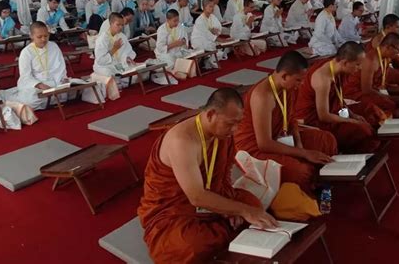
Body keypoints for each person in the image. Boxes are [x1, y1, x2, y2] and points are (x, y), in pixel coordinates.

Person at [138, 88, 277, 264]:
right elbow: (196, 197)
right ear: (211, 114)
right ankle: (229, 231)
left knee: (254, 204)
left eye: (238, 123)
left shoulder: (223, 133)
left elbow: (224, 173)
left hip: (213, 195)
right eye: (230, 123)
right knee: (191, 245)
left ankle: (226, 230)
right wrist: (241, 210)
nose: (234, 130)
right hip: (177, 211)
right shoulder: (182, 140)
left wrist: (234, 205)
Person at [234, 52, 337, 191]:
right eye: (298, 80)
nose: (301, 85)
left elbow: (291, 118)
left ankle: (323, 178)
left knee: (326, 140)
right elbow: (264, 144)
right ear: (284, 76)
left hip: (280, 137)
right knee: (302, 172)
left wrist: (299, 146)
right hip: (254, 149)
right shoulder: (263, 96)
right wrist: (304, 153)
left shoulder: (287, 87)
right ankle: (311, 190)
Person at [295, 42, 381, 153]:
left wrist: (353, 115)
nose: (360, 68)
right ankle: (350, 156)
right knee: (362, 130)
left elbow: (338, 98)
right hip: (313, 120)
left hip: (334, 111)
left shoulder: (337, 67)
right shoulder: (322, 78)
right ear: (345, 63)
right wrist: (352, 121)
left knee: (369, 111)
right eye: (357, 64)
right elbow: (324, 116)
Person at [343, 33, 399, 118]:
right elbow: (366, 90)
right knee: (392, 104)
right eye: (398, 49)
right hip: (356, 93)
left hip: (375, 89)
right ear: (388, 47)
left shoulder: (385, 58)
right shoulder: (370, 61)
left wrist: (397, 89)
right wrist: (391, 97)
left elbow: (380, 83)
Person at [0, 22, 67, 110]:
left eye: (46, 36)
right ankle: (5, 96)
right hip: (35, 86)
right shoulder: (26, 52)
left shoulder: (54, 46)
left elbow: (61, 68)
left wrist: (63, 80)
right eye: (39, 37)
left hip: (54, 83)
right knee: (33, 100)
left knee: (71, 91)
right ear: (31, 36)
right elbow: (25, 76)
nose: (43, 39)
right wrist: (39, 84)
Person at [93, 13, 137, 77]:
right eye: (118, 25)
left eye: (122, 25)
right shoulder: (102, 39)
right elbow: (100, 60)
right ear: (111, 24)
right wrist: (114, 49)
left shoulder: (122, 36)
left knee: (134, 70)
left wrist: (127, 58)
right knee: (109, 74)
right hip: (105, 66)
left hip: (118, 63)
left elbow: (128, 51)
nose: (121, 27)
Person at [191, 0, 225, 66]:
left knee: (220, 52)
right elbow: (206, 34)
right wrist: (217, 36)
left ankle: (206, 59)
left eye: (213, 6)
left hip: (209, 40)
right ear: (204, 7)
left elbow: (219, 27)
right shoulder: (199, 20)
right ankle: (205, 60)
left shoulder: (213, 17)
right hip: (199, 40)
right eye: (210, 6)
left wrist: (215, 31)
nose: (212, 8)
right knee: (211, 48)